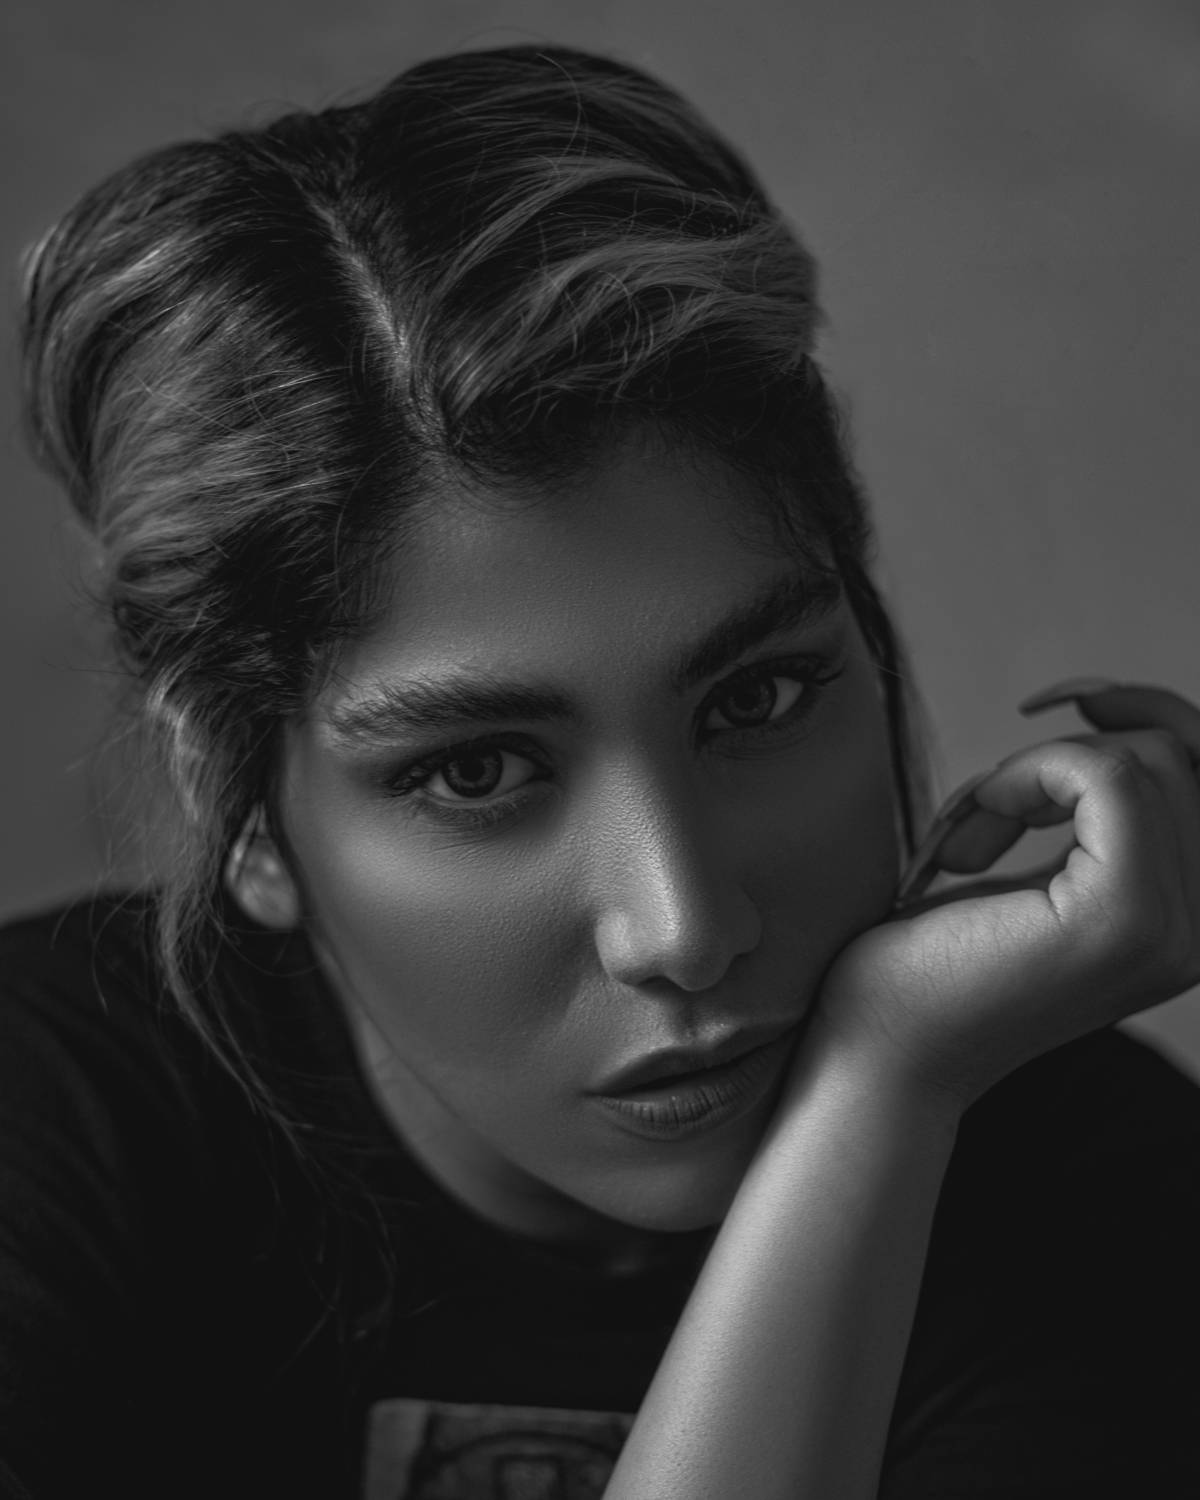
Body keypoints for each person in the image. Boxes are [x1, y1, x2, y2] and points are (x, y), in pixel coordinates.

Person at [3, 41, 1200, 1500]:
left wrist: (882, 1095)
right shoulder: (52, 1127)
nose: (683, 928)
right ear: (237, 810)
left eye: (758, 697)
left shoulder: (1107, 1197)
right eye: (475, 772)